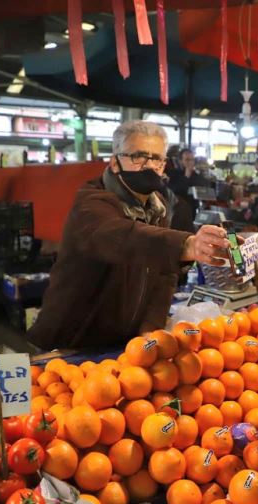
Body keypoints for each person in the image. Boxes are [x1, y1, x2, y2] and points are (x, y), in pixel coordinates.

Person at [27, 121, 230, 350]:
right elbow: (122, 238)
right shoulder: (91, 203)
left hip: (123, 344)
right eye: (139, 156)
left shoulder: (158, 207)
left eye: (156, 158)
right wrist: (186, 244)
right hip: (70, 343)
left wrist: (150, 329)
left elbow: (164, 274)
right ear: (115, 163)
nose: (149, 166)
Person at [167, 148, 213, 216]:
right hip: (177, 212)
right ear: (180, 161)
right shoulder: (173, 174)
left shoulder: (196, 175)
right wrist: (186, 176)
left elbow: (206, 189)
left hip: (193, 211)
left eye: (192, 160)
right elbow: (176, 191)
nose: (190, 162)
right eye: (187, 160)